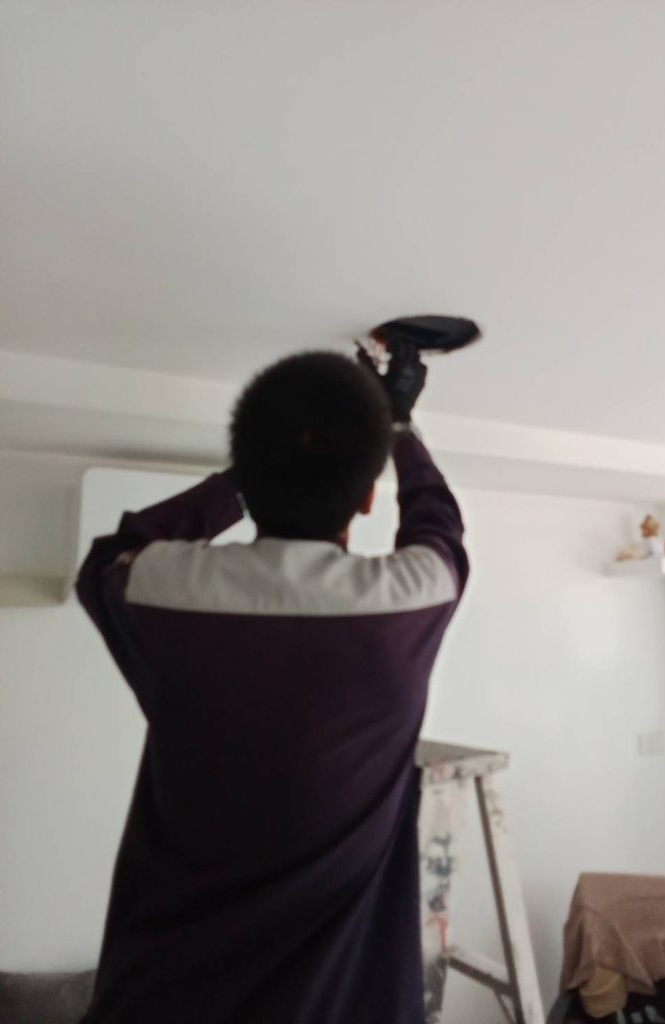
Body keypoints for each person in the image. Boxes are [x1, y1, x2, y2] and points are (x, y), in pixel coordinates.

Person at [76, 341, 469, 1024]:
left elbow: (109, 555)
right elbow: (439, 525)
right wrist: (400, 422)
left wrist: (252, 476)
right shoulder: (405, 601)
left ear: (251, 478)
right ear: (368, 495)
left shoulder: (162, 591)